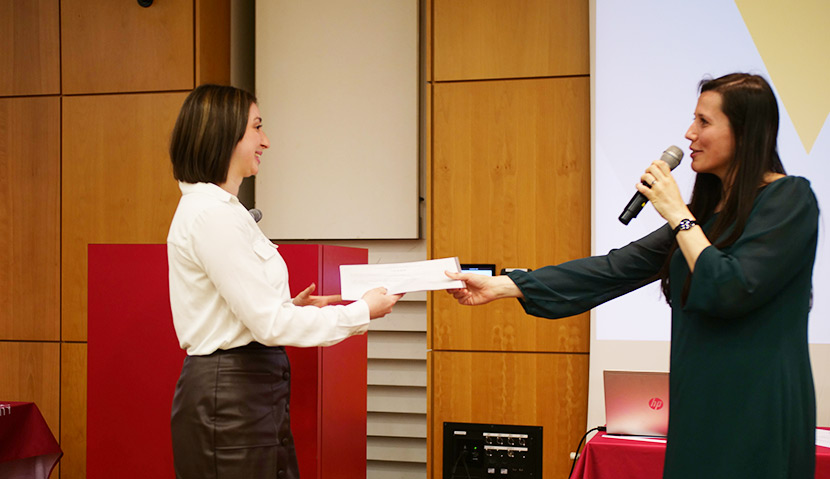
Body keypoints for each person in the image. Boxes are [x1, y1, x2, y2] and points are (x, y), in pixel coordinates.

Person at [446, 73, 818, 479]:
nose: (689, 134)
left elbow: (733, 285)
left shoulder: (789, 199)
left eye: (704, 122)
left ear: (746, 133)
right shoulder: (708, 216)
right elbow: (616, 268)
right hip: (700, 404)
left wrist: (677, 213)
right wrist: (503, 286)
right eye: (692, 120)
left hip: (758, 408)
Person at [166, 84, 402, 479]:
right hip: (231, 401)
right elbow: (269, 325)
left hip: (246, 396)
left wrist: (290, 307)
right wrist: (362, 311)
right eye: (257, 128)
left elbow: (251, 314)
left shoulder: (221, 210)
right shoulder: (212, 215)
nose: (266, 141)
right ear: (224, 134)